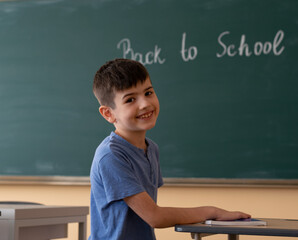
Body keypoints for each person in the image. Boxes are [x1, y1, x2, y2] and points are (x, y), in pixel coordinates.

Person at [89, 58, 251, 240]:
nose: (145, 104)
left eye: (148, 92)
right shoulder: (111, 155)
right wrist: (212, 211)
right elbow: (154, 217)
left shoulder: (151, 149)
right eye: (130, 99)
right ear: (108, 113)